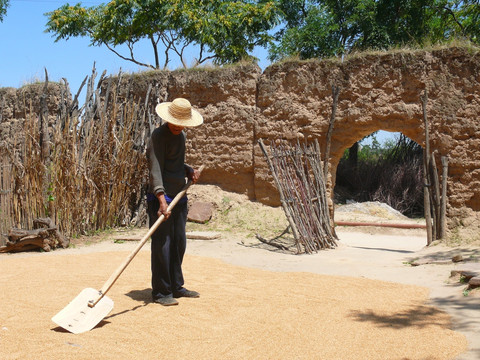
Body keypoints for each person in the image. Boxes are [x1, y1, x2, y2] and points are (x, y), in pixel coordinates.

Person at [147, 97, 203, 306]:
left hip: (179, 196)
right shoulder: (157, 137)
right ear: (168, 119)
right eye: (175, 122)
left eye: (182, 123)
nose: (178, 126)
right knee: (162, 245)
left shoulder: (182, 136)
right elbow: (155, 169)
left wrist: (188, 170)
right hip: (161, 198)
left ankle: (176, 286)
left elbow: (176, 163)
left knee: (179, 243)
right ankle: (161, 292)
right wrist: (161, 199)